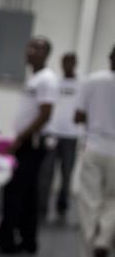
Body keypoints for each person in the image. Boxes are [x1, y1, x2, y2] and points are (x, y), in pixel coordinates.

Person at [0, 36, 58, 254]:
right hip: (27, 142)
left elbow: (45, 114)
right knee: (27, 193)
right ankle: (26, 240)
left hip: (31, 144)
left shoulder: (47, 80)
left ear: (47, 54)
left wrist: (20, 138)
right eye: (30, 47)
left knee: (17, 192)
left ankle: (9, 241)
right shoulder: (35, 78)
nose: (31, 51)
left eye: (37, 49)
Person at [74, 45, 115, 257]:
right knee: (113, 202)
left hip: (95, 145)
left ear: (110, 57)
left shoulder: (93, 80)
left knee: (89, 203)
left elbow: (78, 115)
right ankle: (103, 240)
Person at [42, 51, 81, 222]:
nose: (67, 65)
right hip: (54, 133)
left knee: (67, 172)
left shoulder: (82, 84)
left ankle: (62, 206)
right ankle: (41, 207)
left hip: (71, 136)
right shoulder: (55, 83)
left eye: (70, 62)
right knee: (47, 172)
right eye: (64, 62)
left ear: (75, 63)